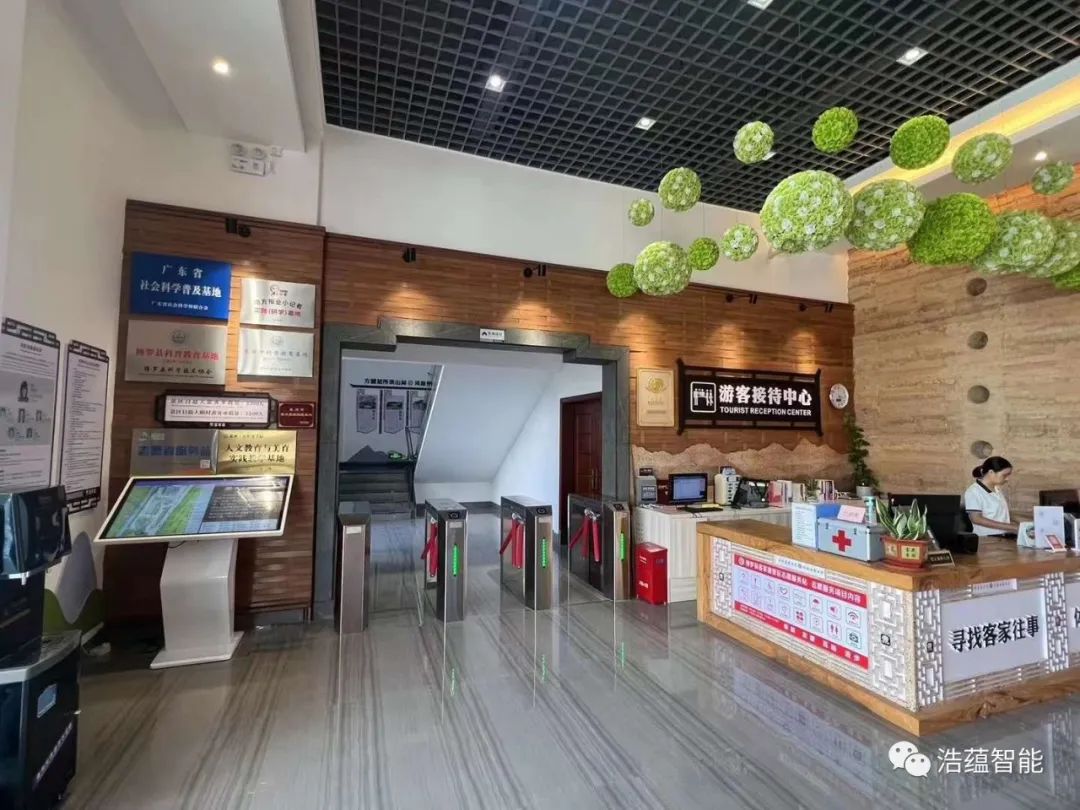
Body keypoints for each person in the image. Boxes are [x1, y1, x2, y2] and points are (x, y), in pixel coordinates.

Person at [965, 457, 1019, 538]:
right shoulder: (973, 491)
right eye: (1004, 475)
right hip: (986, 539)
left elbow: (1000, 516)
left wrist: (1018, 526)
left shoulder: (997, 489)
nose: (1007, 479)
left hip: (1003, 537)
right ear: (991, 472)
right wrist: (1011, 527)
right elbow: (976, 519)